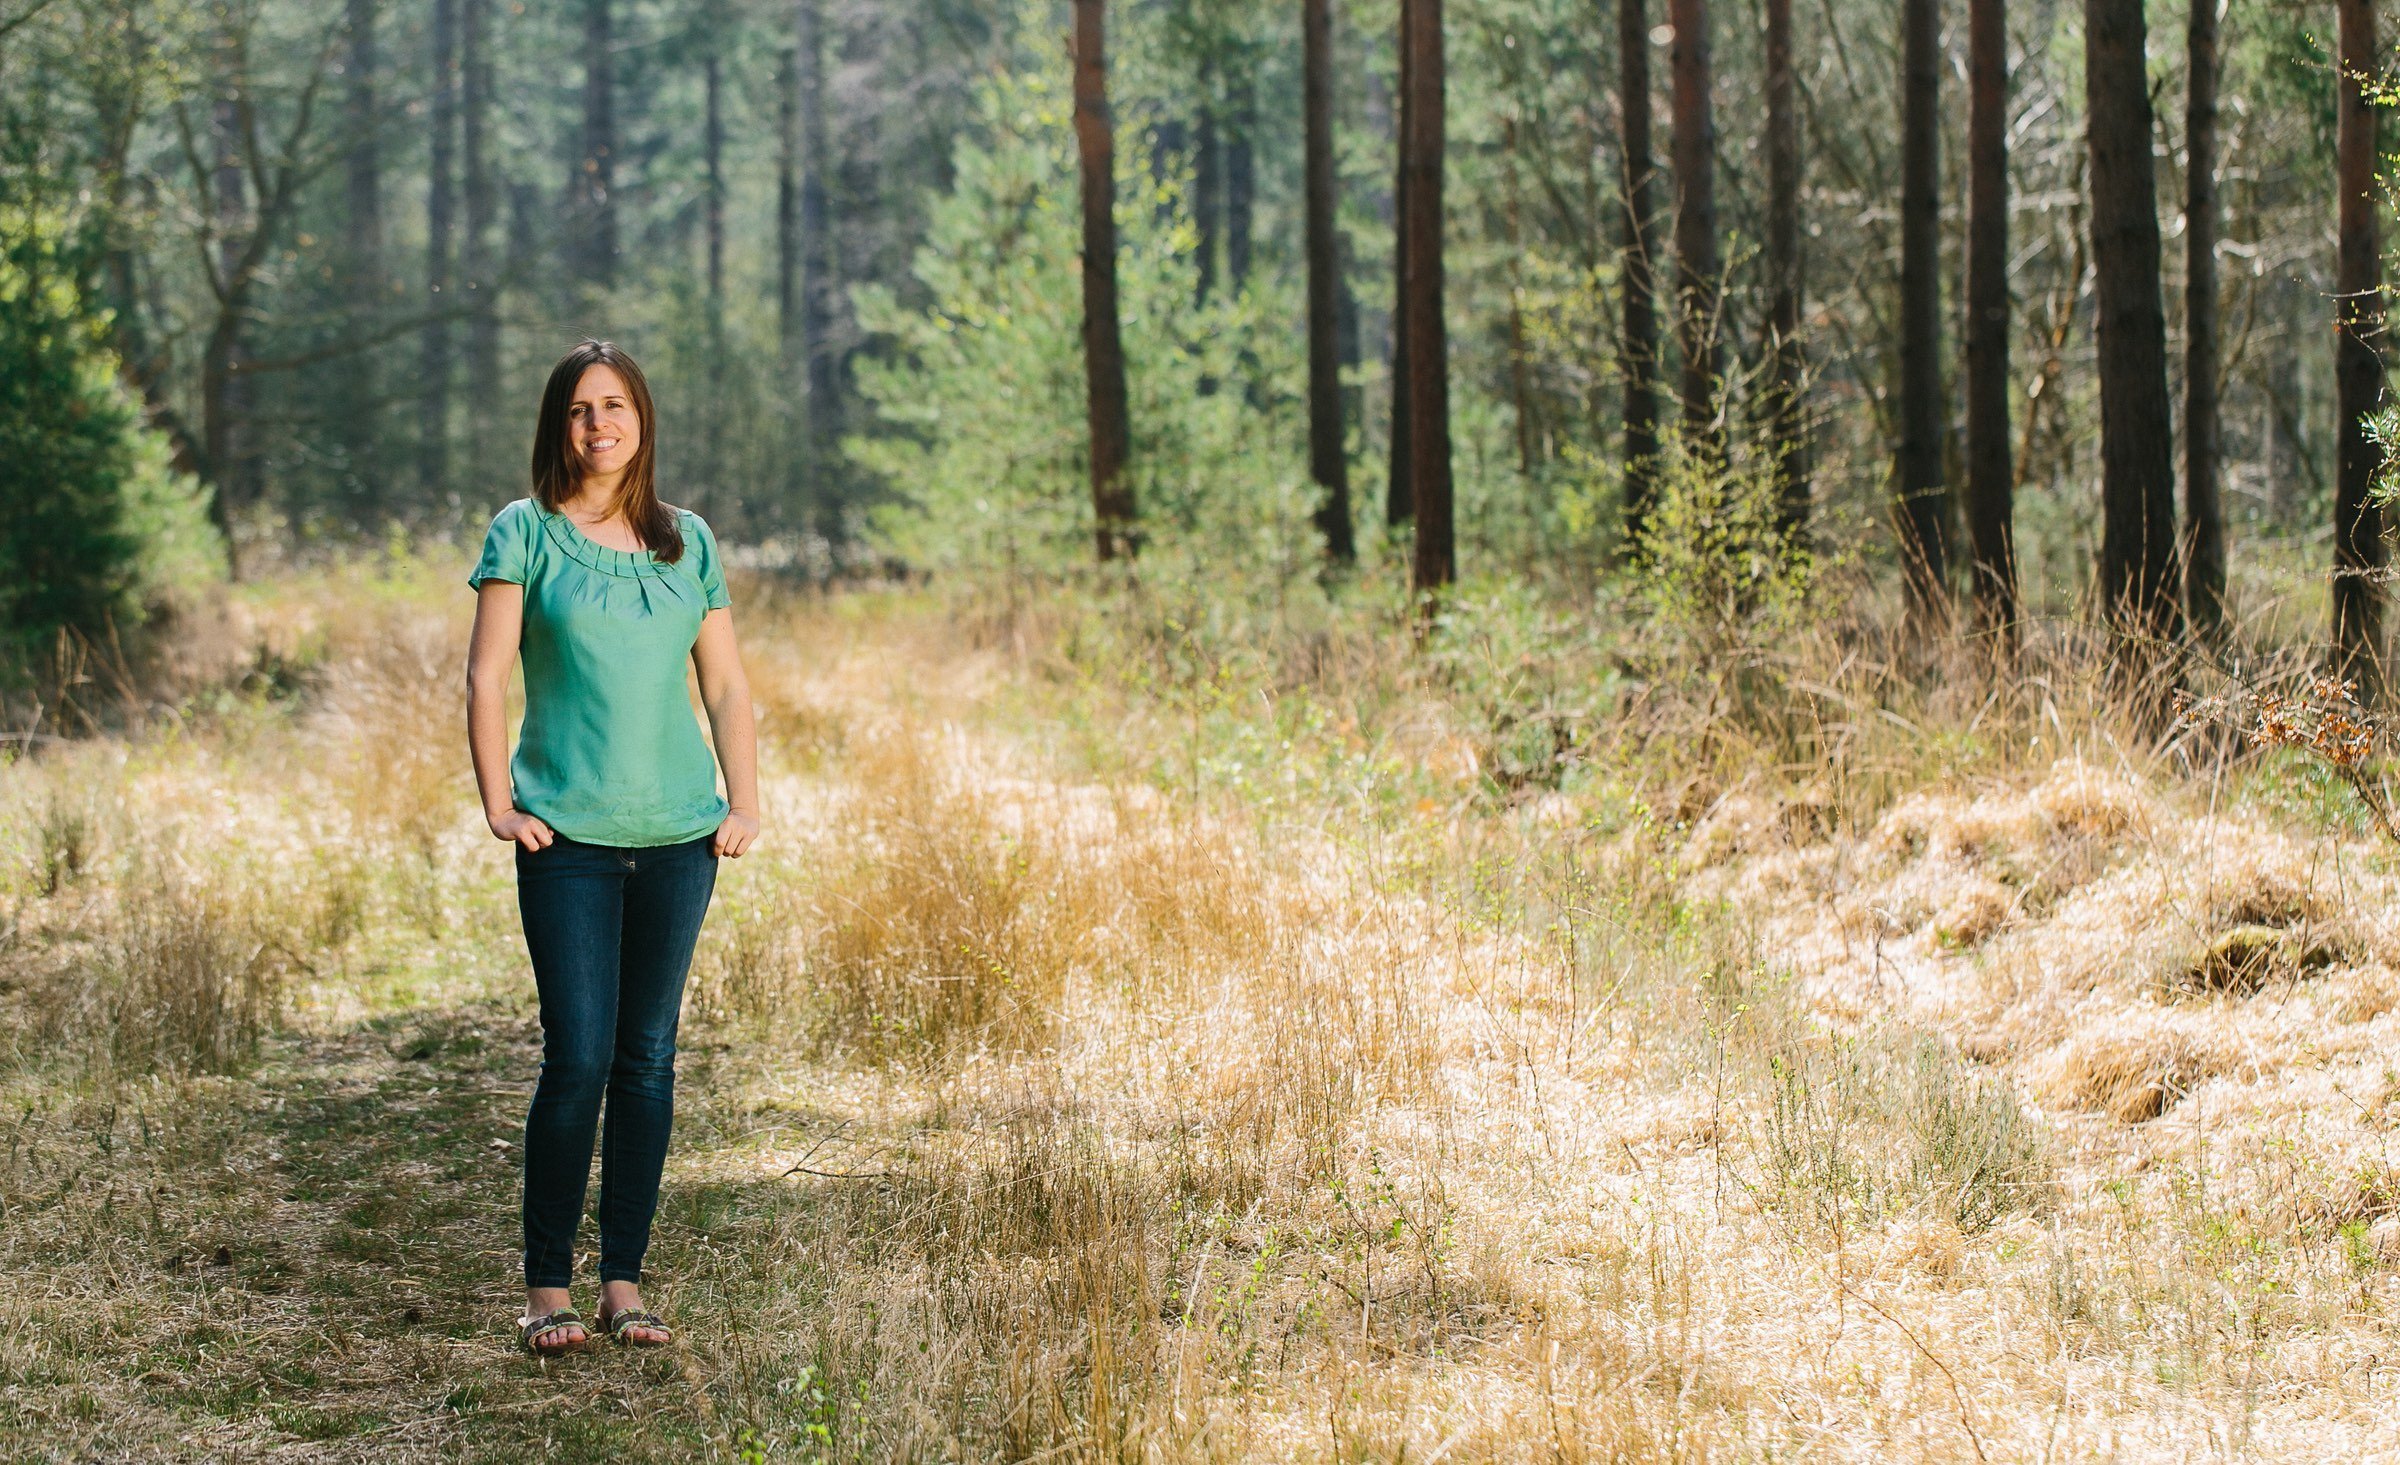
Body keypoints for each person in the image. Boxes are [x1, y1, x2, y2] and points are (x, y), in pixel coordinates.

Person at [464, 339, 761, 1355]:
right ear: (560, 426)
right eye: (582, 410)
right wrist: (500, 802)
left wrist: (744, 800)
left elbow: (723, 685)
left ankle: (623, 1284)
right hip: (569, 841)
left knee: (647, 1060)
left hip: (681, 839)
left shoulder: (689, 542)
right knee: (579, 1055)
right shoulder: (527, 531)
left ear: (643, 419)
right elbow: (487, 678)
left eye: (617, 407)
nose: (600, 426)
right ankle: (549, 1287)